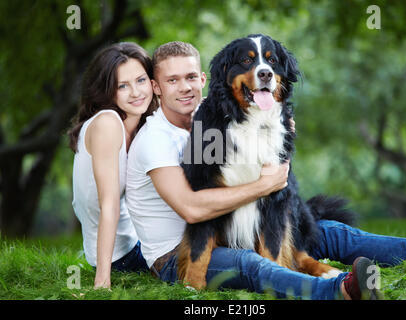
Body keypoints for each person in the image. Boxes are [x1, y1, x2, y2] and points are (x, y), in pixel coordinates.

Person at [126, 41, 388, 300]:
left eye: (191, 77)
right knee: (250, 263)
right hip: (173, 256)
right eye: (172, 80)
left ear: (204, 79)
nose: (184, 87)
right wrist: (265, 185)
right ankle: (341, 289)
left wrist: (281, 125)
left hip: (241, 233)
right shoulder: (155, 139)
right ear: (156, 87)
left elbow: (250, 110)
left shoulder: (207, 115)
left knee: (333, 233)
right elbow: (193, 210)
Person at [69, 42, 158, 289]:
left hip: (136, 243)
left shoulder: (140, 125)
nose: (136, 92)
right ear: (107, 91)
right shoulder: (108, 123)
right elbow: (108, 204)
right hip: (124, 255)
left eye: (141, 80)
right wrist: (102, 281)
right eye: (122, 86)